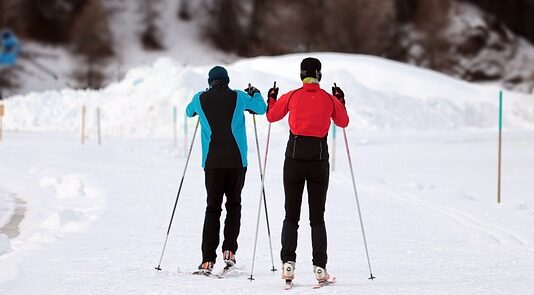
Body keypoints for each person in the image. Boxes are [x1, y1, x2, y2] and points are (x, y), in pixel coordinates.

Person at [266, 57, 349, 284]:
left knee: (291, 214)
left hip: (293, 160)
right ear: (319, 75)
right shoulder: (329, 99)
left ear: (301, 75)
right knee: (317, 217)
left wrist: (271, 98)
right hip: (319, 161)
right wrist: (341, 100)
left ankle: (288, 265)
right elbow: (343, 122)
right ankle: (320, 268)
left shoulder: (292, 96)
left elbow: (272, 116)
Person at [185, 66, 267, 274]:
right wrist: (255, 92)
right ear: (227, 80)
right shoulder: (239, 97)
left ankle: (207, 260)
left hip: (212, 163)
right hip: (237, 162)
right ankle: (229, 249)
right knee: (234, 205)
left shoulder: (200, 98)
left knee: (212, 208)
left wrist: (201, 96)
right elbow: (261, 108)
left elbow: (188, 112)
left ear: (210, 81)